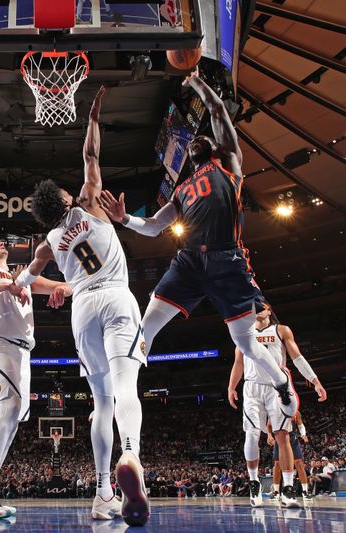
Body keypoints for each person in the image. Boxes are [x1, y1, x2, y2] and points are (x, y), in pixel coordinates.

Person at [98, 70, 297, 418]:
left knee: (247, 344)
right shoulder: (182, 189)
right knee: (145, 326)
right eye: (191, 143)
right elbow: (155, 226)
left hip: (227, 261)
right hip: (188, 262)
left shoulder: (230, 165)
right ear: (189, 158)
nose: (194, 142)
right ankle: (118, 394)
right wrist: (124, 220)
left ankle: (280, 382)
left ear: (211, 148)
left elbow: (219, 111)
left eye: (198, 139)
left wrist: (197, 84)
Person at [14, 86, 149, 526]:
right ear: (67, 199)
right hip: (114, 296)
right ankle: (131, 458)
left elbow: (25, 279)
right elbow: (90, 157)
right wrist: (92, 117)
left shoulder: (48, 243)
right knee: (127, 385)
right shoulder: (90, 202)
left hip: (82, 312)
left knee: (101, 401)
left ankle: (102, 493)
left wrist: (17, 289)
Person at [0, 237, 70, 519]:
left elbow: (62, 286)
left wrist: (64, 289)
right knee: (8, 410)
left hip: (22, 351)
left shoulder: (23, 275)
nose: (1, 241)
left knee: (13, 417)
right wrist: (6, 285)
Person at [227, 310, 326, 508]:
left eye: (260, 305)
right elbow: (238, 362)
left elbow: (297, 357)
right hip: (252, 387)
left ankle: (288, 490)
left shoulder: (281, 330)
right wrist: (231, 387)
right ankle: (254, 482)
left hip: (276, 387)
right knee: (252, 434)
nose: (256, 308)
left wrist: (315, 381)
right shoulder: (244, 332)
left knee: (283, 436)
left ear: (269, 310)